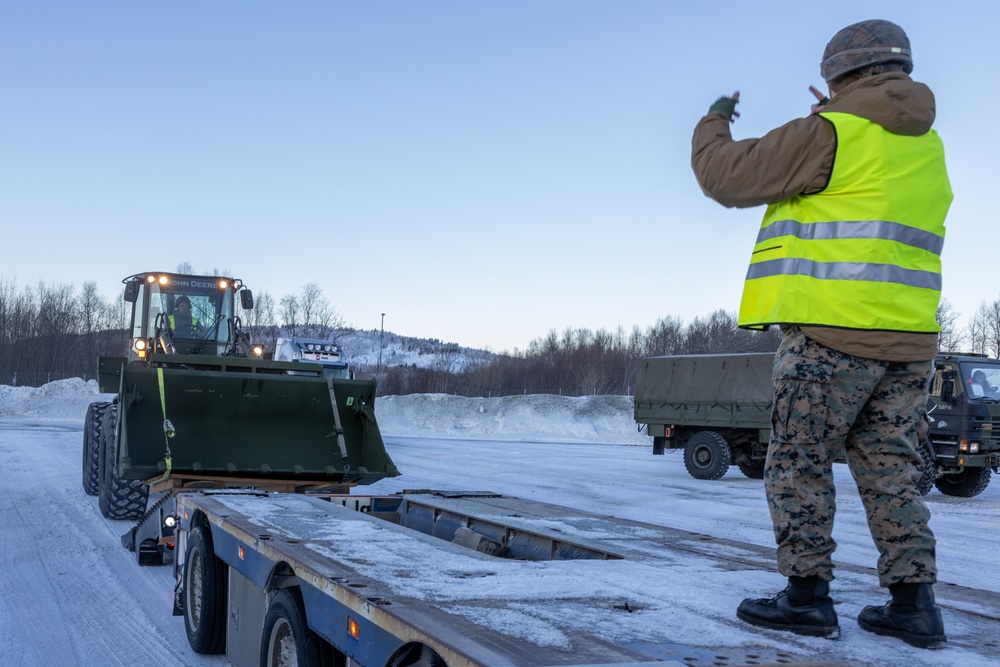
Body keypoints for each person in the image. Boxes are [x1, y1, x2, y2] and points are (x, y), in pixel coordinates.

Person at [691, 20, 951, 649]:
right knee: (891, 468)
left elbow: (723, 175)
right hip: (909, 340)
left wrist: (713, 119)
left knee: (797, 462)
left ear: (838, 74)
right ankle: (915, 607)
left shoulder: (828, 133)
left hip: (833, 335)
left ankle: (805, 598)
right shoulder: (925, 144)